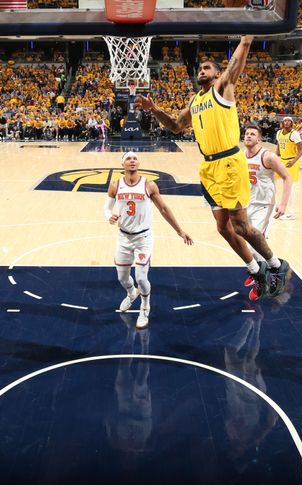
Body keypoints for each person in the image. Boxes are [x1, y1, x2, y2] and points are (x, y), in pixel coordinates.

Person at [135, 36, 289, 300]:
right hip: (208, 168)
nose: (201, 71)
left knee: (241, 226)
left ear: (217, 73)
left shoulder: (223, 88)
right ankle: (256, 269)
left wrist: (246, 40)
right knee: (222, 227)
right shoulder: (195, 101)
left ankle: (277, 265)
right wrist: (154, 109)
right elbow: (174, 126)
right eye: (199, 69)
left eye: (206, 68)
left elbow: (236, 64)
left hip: (229, 162)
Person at [104, 152, 193, 329]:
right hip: (123, 237)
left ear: (139, 163)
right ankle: (131, 294)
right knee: (122, 278)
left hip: (143, 237)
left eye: (135, 158)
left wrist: (179, 230)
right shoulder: (115, 185)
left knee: (141, 277)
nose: (132, 161)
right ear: (122, 164)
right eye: (128, 159)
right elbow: (106, 208)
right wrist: (109, 216)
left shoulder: (149, 185)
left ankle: (145, 308)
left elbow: (164, 209)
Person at [241, 126, 293, 287]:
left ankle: (270, 276)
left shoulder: (268, 157)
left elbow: (287, 177)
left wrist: (283, 204)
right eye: (247, 134)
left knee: (254, 241)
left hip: (263, 205)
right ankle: (257, 269)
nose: (249, 136)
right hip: (246, 203)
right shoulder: (241, 155)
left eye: (253, 134)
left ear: (259, 139)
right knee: (243, 240)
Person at [275, 117, 302, 220]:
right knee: (274, 182)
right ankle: (279, 206)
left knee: (290, 188)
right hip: (281, 160)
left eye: (288, 121)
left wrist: (294, 161)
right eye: (285, 121)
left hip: (291, 162)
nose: (286, 122)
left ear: (291, 123)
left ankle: (291, 213)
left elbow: (301, 149)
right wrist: (275, 156)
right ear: (282, 123)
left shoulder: (294, 134)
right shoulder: (279, 133)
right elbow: (278, 146)